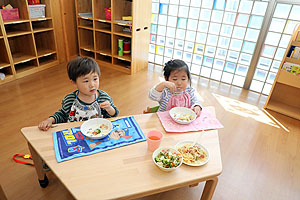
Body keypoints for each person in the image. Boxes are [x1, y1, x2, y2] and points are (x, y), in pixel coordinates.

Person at [39, 57, 119, 131]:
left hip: (97, 133)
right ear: (74, 83)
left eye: (95, 79)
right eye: (86, 81)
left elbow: (114, 115)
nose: (92, 85)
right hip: (76, 133)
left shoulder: (103, 98)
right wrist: (50, 120)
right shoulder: (70, 100)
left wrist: (109, 108)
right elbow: (62, 115)